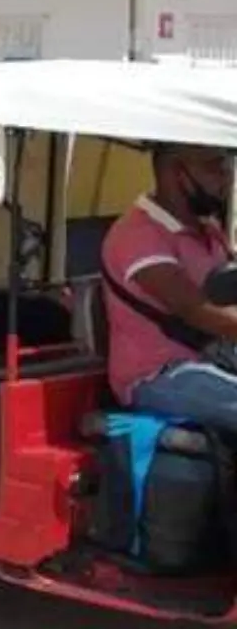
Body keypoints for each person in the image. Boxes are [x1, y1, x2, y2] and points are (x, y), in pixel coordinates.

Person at [101, 142, 237, 431]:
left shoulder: (209, 229)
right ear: (177, 172)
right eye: (215, 167)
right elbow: (197, 310)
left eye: (227, 167)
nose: (227, 177)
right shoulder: (137, 235)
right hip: (159, 376)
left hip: (214, 360)